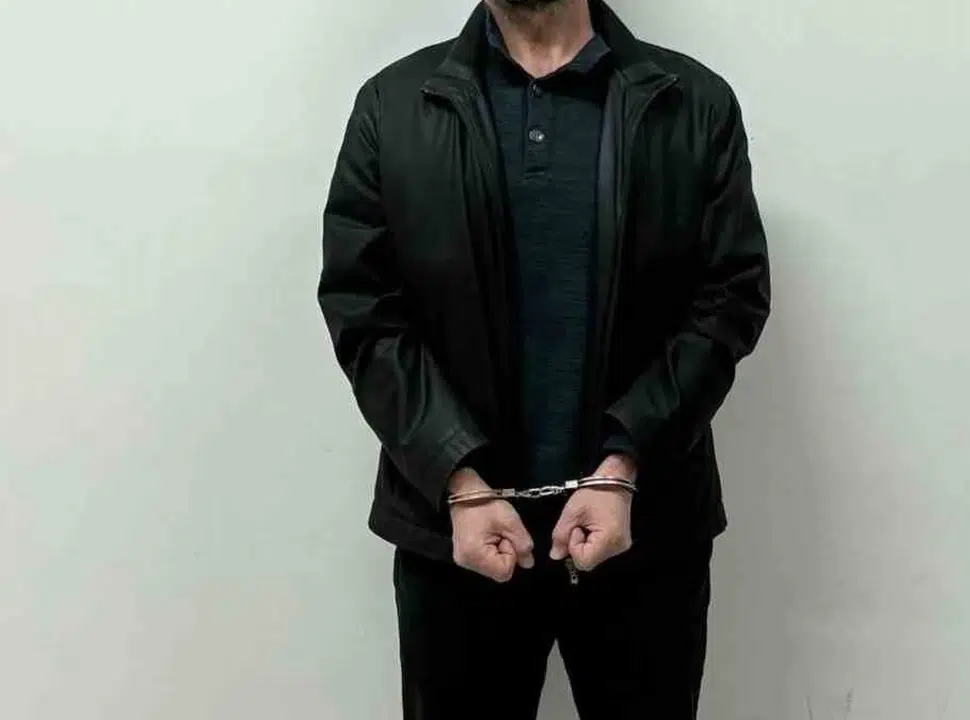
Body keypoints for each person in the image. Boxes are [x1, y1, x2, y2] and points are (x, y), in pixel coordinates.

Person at [317, 0, 769, 717]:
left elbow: (729, 300)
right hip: (455, 537)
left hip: (645, 532)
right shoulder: (392, 106)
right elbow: (365, 311)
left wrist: (624, 465)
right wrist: (458, 476)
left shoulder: (693, 105)